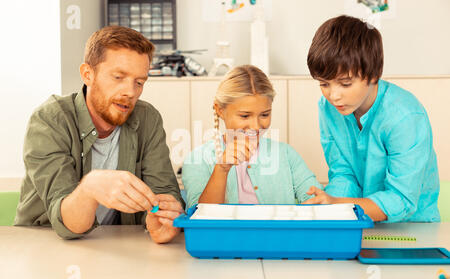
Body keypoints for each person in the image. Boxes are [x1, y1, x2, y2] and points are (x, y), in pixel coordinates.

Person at [15, 26, 185, 242]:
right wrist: (90, 187)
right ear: (88, 74)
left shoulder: (147, 118)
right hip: (45, 246)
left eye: (139, 82)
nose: (130, 92)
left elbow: (164, 192)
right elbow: (66, 222)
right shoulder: (50, 119)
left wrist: (165, 217)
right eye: (118, 77)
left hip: (119, 248)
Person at [303, 15, 440, 222]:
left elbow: (401, 199)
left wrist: (336, 205)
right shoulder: (328, 109)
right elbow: (343, 173)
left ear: (373, 74)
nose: (333, 95)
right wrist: (329, 206)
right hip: (358, 222)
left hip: (412, 228)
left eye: (345, 83)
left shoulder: (405, 117)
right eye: (324, 84)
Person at [182, 65, 322, 209]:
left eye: (265, 114)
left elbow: (317, 200)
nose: (255, 126)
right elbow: (200, 217)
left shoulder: (286, 154)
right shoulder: (197, 160)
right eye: (245, 115)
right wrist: (222, 169)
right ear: (220, 110)